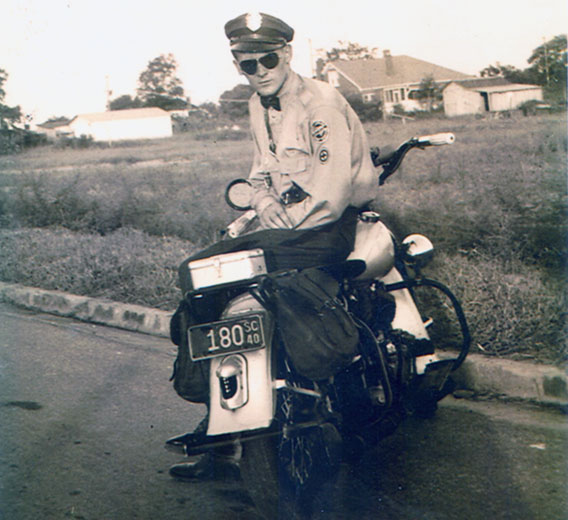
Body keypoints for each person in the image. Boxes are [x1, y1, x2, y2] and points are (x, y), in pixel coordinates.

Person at [169, 11, 378, 482]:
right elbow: (262, 170)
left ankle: (226, 425)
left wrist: (277, 227)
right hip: (287, 226)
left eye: (268, 60)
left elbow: (330, 194)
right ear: (237, 64)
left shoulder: (319, 105)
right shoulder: (259, 105)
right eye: (249, 64)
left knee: (202, 271)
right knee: (206, 282)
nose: (260, 71)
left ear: (286, 54)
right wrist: (262, 201)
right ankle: (222, 423)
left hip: (323, 228)